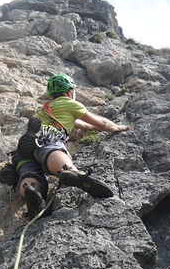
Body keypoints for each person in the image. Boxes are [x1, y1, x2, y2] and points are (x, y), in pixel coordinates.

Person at [10, 74, 130, 219]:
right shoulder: (69, 103)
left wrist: (92, 128)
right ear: (69, 92)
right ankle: (69, 171)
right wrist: (118, 127)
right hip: (47, 137)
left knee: (29, 171)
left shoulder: (43, 110)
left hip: (25, 148)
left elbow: (84, 125)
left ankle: (32, 192)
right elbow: (102, 124)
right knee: (52, 149)